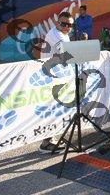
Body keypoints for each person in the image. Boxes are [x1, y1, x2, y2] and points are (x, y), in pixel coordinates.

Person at [39, 11, 73, 153]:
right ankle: (46, 144)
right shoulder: (55, 35)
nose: (67, 27)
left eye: (70, 25)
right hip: (50, 77)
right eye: (64, 24)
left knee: (55, 109)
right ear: (57, 23)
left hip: (56, 75)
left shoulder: (62, 33)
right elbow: (67, 54)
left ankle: (51, 138)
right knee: (52, 109)